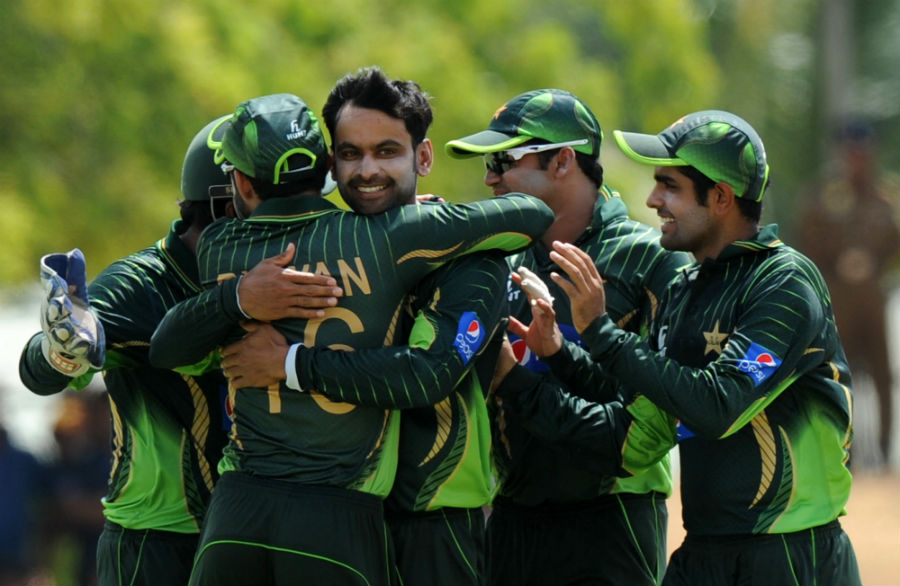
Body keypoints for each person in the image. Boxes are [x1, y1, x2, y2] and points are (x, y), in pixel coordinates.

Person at [148, 90, 553, 586]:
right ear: (327, 168)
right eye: (349, 153)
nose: (366, 171)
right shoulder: (387, 236)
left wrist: (289, 361)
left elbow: (427, 375)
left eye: (386, 151)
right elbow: (530, 213)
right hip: (344, 513)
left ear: (423, 157)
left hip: (432, 519)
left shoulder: (224, 244)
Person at [504, 110, 862, 586]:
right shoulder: (684, 288)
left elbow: (718, 406)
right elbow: (641, 413)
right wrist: (557, 354)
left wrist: (600, 330)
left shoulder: (784, 282)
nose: (653, 201)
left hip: (792, 554)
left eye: (669, 186)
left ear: (720, 197)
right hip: (704, 554)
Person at [17, 116, 338, 586]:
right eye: (279, 201)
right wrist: (59, 348)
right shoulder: (141, 283)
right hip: (158, 542)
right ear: (234, 201)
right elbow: (40, 370)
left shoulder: (294, 267)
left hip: (260, 536)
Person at [444, 89, 691, 586]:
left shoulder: (653, 261)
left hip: (614, 520)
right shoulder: (500, 261)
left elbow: (648, 412)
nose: (490, 177)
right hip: (511, 517)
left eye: (503, 159)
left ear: (562, 161)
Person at [798, 120, 900, 466]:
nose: (857, 160)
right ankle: (846, 446)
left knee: (883, 374)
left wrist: (874, 263)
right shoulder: (826, 196)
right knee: (840, 372)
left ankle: (885, 449)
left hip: (874, 297)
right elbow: (809, 239)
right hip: (839, 298)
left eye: (863, 154)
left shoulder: (888, 197)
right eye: (852, 154)